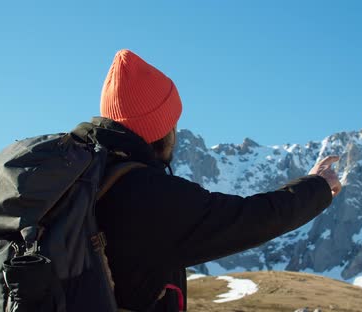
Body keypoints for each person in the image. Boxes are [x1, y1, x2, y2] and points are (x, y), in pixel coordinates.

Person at [94, 49, 342, 312]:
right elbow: (251, 219)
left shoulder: (86, 173)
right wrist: (317, 185)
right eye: (172, 122)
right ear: (160, 129)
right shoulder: (148, 194)